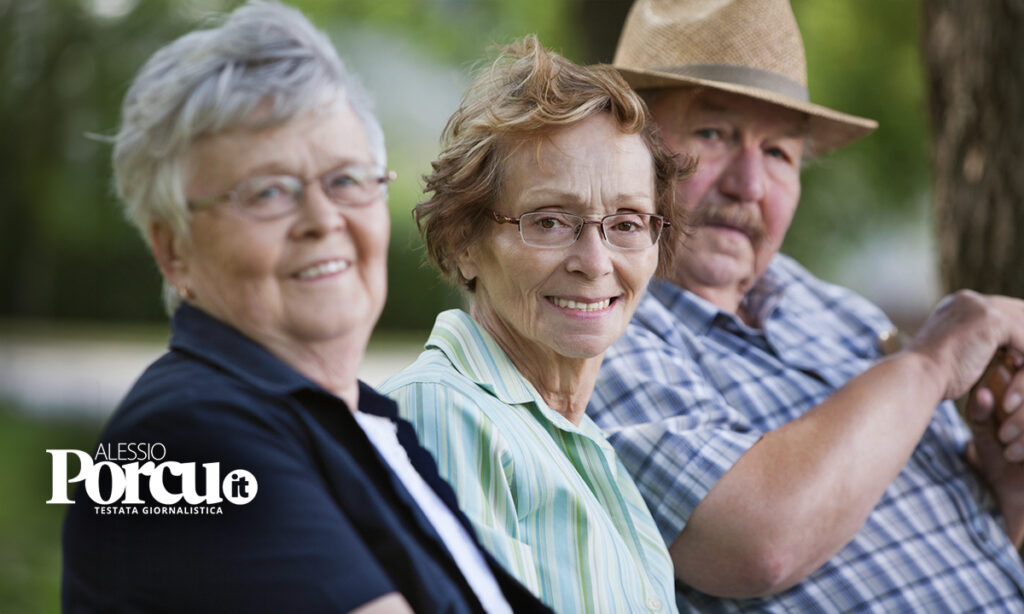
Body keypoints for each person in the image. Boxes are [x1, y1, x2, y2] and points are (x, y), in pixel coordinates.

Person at [60, 3, 552, 613]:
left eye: (346, 180)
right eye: (268, 192)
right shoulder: (180, 443)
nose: (323, 221)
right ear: (173, 249)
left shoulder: (367, 422)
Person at [589, 0, 1024, 612]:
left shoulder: (836, 311)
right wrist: (929, 364)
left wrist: (1008, 488)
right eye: (713, 134)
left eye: (779, 153)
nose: (750, 185)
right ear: (624, 147)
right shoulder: (597, 322)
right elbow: (758, 545)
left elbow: (926, 553)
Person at [378, 37, 688, 614]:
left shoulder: (577, 442)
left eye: (625, 222)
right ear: (463, 242)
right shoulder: (442, 417)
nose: (595, 263)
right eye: (548, 220)